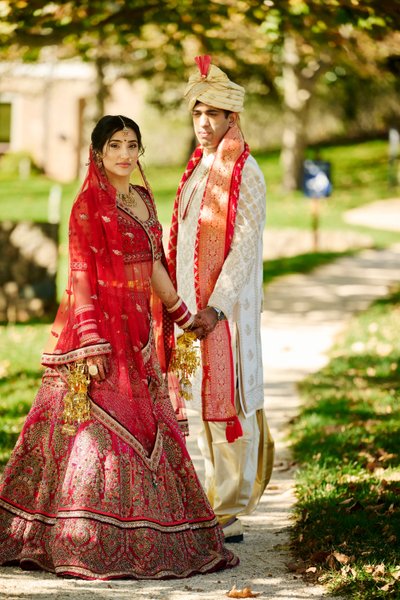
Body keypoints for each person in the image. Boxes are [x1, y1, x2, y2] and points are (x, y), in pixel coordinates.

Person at [0, 115, 239, 579]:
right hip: (100, 341)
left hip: (140, 338)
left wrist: (181, 314)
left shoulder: (143, 200)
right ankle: (80, 537)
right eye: (115, 146)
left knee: (151, 431)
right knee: (94, 436)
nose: (125, 155)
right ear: (98, 153)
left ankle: (156, 538)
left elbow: (152, 263)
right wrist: (91, 341)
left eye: (133, 145)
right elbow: (81, 275)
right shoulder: (89, 205)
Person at [167, 56, 275, 543]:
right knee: (200, 402)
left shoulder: (245, 171)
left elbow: (245, 248)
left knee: (227, 404)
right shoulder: (197, 168)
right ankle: (213, 499)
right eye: (197, 114)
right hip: (188, 311)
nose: (204, 124)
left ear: (233, 118)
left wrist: (217, 307)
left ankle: (228, 507)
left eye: (213, 114)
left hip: (219, 314)